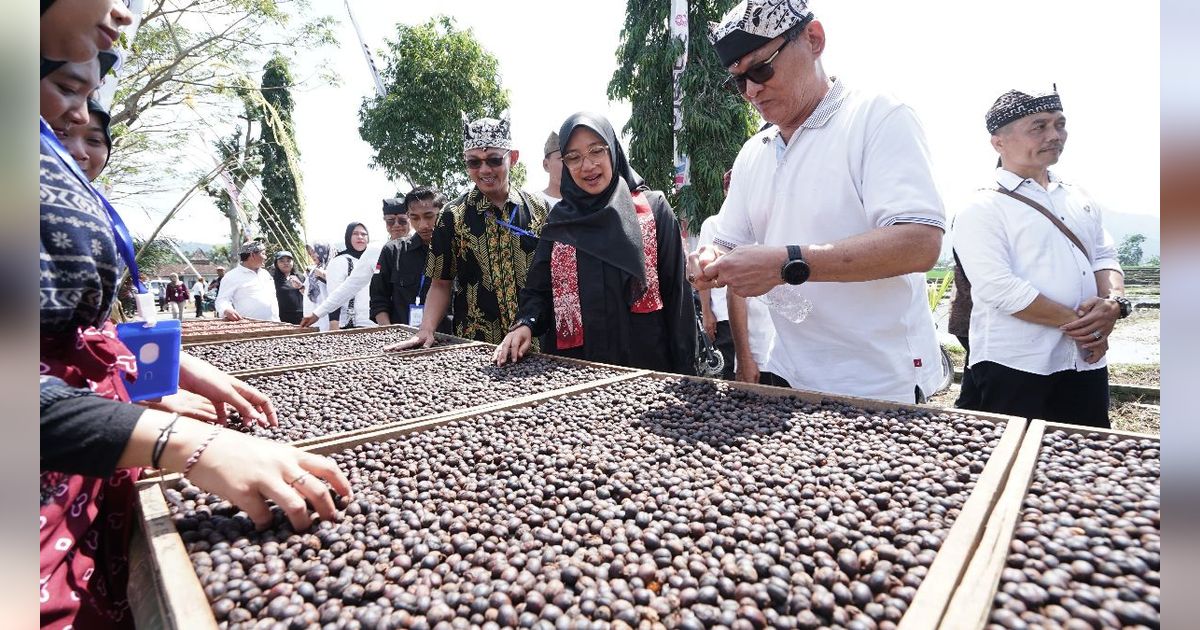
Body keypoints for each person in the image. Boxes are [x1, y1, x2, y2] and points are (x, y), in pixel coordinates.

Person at [40, 14, 351, 628]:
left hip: (78, 466)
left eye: (90, 101)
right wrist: (185, 443)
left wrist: (158, 371)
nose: (81, 120)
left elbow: (64, 326)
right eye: (70, 92)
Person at [689, 0, 946, 403]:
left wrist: (786, 264)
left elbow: (919, 242)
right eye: (738, 82)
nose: (752, 90)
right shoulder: (754, 152)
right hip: (788, 373)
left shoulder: (877, 117)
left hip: (879, 379)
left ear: (814, 39)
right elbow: (727, 239)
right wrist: (707, 257)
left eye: (761, 68)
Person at [951, 88, 1129, 428]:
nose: (1054, 135)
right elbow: (999, 288)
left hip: (1084, 361)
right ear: (998, 142)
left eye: (1059, 124)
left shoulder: (1078, 197)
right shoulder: (983, 206)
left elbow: (1103, 255)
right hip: (1017, 362)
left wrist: (1113, 303)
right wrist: (1088, 329)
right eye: (1039, 126)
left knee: (1084, 453)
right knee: (1007, 458)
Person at [494, 113, 696, 373]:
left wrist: (685, 375)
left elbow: (678, 298)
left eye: (596, 151)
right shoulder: (560, 221)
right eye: (574, 157)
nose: (587, 165)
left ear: (612, 150)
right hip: (573, 376)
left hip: (646, 374)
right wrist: (526, 323)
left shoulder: (652, 209)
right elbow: (538, 291)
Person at [387, 112, 550, 350]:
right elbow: (441, 283)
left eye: (494, 160)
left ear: (512, 158)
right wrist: (426, 329)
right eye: (474, 162)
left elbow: (551, 278)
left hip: (535, 341)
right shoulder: (452, 215)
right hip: (477, 346)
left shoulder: (539, 208)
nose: (484, 170)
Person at [370, 188, 452, 332]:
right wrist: (390, 333)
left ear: (443, 214)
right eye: (414, 218)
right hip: (403, 341)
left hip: (452, 341)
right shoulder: (393, 252)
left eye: (429, 216)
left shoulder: (459, 250)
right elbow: (378, 300)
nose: (423, 225)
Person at [321, 223, 377, 330]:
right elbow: (334, 295)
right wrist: (334, 326)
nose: (360, 237)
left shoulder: (374, 259)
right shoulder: (340, 261)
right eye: (355, 233)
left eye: (364, 234)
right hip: (351, 325)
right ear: (348, 237)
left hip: (375, 323)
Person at [215, 241, 280, 321]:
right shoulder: (232, 276)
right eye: (263, 254)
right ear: (252, 255)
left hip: (275, 323)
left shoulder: (265, 274)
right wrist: (226, 309)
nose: (265, 257)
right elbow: (222, 299)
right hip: (250, 327)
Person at [301, 242, 333, 331]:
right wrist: (300, 287)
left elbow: (339, 287)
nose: (312, 255)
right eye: (310, 253)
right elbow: (307, 292)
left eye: (314, 252)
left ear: (322, 251)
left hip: (325, 314)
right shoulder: (311, 270)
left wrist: (324, 275)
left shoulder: (332, 267)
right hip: (311, 312)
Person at [270, 250, 305, 325]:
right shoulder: (272, 280)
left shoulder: (301, 277)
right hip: (283, 319)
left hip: (302, 318)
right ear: (276, 264)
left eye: (288, 261)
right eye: (282, 261)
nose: (286, 263)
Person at [540, 131, 562, 208]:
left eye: (572, 158)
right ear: (546, 165)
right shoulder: (531, 204)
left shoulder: (583, 204)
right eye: (562, 159)